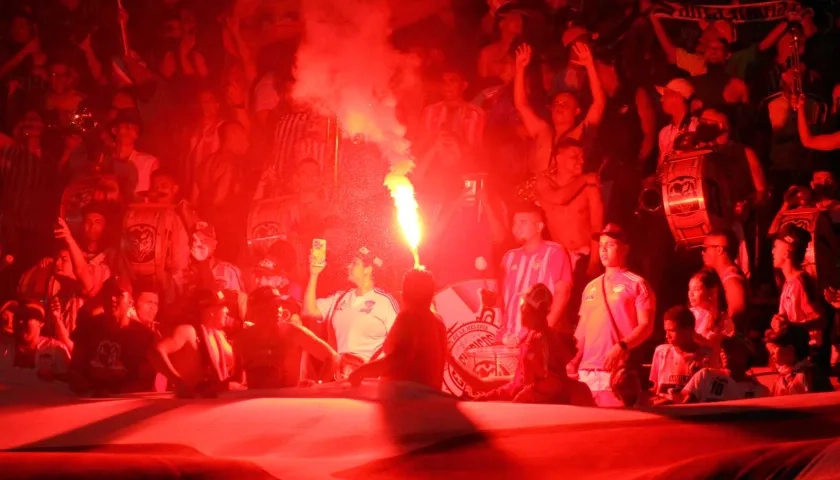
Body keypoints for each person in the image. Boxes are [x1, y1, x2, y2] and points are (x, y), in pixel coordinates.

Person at [449, 283, 595, 405]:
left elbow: (553, 383)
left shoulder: (541, 340)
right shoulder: (532, 336)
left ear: (529, 309)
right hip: (525, 399)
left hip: (538, 410)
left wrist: (525, 395)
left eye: (522, 303)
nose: (520, 308)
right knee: (482, 386)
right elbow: (518, 382)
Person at [569, 223, 655, 407]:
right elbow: (582, 330)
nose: (603, 250)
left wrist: (622, 346)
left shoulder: (638, 284)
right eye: (601, 245)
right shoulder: (590, 287)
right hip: (586, 374)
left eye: (610, 245)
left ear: (625, 248)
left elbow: (646, 326)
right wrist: (572, 360)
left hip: (618, 373)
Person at [302, 246, 399, 379]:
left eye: (354, 263)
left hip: (370, 381)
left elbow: (398, 343)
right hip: (339, 380)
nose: (348, 267)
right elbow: (308, 311)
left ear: (368, 269)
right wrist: (314, 274)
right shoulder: (339, 298)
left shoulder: (385, 301)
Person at [513, 42, 605, 174]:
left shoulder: (580, 134)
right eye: (557, 103)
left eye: (565, 104)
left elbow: (599, 103)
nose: (559, 106)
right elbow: (521, 105)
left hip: (565, 191)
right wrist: (520, 69)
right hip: (536, 191)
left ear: (577, 111)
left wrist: (590, 66)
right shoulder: (542, 130)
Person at [348, 269, 447, 389]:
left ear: (403, 295)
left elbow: (398, 359)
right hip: (430, 400)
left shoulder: (409, 317)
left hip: (406, 402)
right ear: (431, 296)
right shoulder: (438, 322)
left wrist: (362, 371)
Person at [234, 286, 338, 389]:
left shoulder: (293, 332)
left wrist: (318, 384)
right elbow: (236, 379)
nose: (277, 309)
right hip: (255, 403)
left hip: (288, 402)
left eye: (278, 305)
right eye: (269, 306)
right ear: (255, 311)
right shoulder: (242, 339)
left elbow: (332, 357)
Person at [497, 203, 573, 342]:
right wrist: (502, 330)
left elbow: (563, 294)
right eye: (514, 223)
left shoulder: (555, 252)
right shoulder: (509, 257)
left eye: (523, 222)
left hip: (537, 340)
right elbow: (502, 298)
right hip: (508, 339)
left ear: (539, 227)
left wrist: (540, 333)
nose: (516, 228)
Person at [68, 278, 157, 396]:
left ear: (130, 302)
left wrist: (114, 394)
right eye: (108, 294)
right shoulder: (88, 328)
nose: (112, 299)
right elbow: (75, 370)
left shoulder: (143, 336)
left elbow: (146, 381)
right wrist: (91, 391)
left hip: (125, 403)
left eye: (119, 294)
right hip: (87, 401)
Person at [535, 138, 604, 280]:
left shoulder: (590, 189)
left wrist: (594, 262)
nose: (581, 161)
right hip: (559, 256)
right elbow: (558, 199)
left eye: (582, 157)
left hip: (585, 256)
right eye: (574, 157)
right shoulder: (544, 183)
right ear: (558, 159)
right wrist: (584, 179)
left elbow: (597, 226)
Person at [149, 289, 236, 397]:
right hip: (189, 404)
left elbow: (237, 360)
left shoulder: (218, 336)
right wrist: (178, 381)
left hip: (211, 402)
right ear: (211, 311)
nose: (227, 311)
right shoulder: (187, 331)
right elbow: (156, 353)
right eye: (223, 307)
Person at [771, 224, 826, 358]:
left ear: (786, 253)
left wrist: (793, 328)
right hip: (793, 354)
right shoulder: (787, 283)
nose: (772, 252)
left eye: (776, 247)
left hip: (807, 356)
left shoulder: (802, 282)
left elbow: (820, 319)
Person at [649, 306, 715, 406]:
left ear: (688, 331)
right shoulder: (661, 352)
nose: (667, 336)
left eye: (672, 331)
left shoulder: (707, 356)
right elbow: (655, 388)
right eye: (666, 331)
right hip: (663, 413)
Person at [677, 336, 769, 403]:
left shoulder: (759, 392)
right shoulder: (705, 375)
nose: (724, 351)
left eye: (731, 348)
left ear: (746, 354)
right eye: (722, 349)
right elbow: (685, 409)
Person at [701, 229, 749, 335]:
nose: (702, 253)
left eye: (705, 248)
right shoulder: (724, 277)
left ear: (719, 250)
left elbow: (736, 319)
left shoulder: (732, 280)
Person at [6, 302, 71, 380]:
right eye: (17, 317)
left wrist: (55, 378)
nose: (20, 322)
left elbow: (68, 383)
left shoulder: (56, 350)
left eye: (26, 318)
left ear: (41, 323)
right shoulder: (2, 346)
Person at [765, 323, 832, 396]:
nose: (772, 353)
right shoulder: (783, 376)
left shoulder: (812, 375)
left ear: (791, 349)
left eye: (775, 348)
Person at [688, 269, 734, 350]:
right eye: (690, 289)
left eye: (696, 289)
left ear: (710, 292)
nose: (691, 294)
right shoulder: (689, 314)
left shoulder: (722, 319)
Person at [656, 78, 697, 165]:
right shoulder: (664, 133)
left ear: (677, 97)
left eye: (665, 95)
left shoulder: (696, 127)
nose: (661, 99)